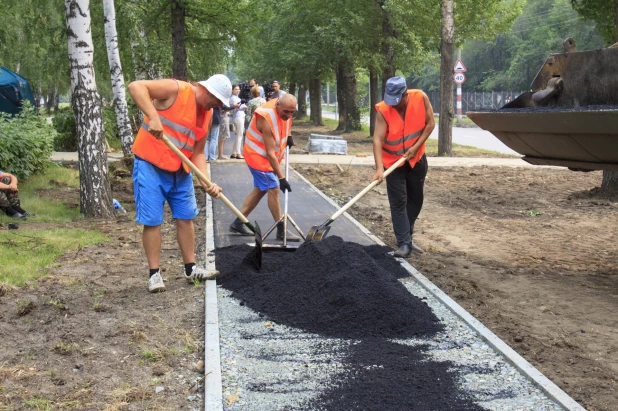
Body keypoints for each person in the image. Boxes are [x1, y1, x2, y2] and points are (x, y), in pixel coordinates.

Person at [128, 74, 231, 293]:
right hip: (151, 164)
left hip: (180, 170)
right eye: (217, 100)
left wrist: (206, 182)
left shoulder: (207, 113)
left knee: (186, 217)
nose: (217, 106)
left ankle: (190, 268)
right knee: (153, 220)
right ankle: (154, 274)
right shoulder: (176, 90)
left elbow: (199, 152)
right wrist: (152, 116)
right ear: (207, 91)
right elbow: (136, 86)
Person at [371, 76, 435, 258]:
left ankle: (407, 236)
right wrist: (378, 168)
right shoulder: (384, 109)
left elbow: (430, 124)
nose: (394, 106)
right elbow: (377, 139)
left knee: (416, 200)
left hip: (417, 159)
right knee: (398, 202)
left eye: (397, 102)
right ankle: (404, 244)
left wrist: (416, 147)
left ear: (405, 94)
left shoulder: (421, 98)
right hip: (393, 162)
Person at [229, 93, 299, 241]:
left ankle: (238, 222)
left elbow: (285, 122)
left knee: (261, 189)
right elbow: (270, 153)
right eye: (286, 111)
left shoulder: (284, 106)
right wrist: (281, 178)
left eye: (292, 112)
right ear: (278, 104)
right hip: (258, 156)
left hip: (266, 157)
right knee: (273, 188)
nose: (289, 115)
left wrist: (289, 135)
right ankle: (281, 230)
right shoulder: (266, 118)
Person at [229, 84, 247, 159]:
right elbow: (237, 106)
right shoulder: (233, 98)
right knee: (240, 135)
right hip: (239, 117)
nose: (237, 90)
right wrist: (243, 106)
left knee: (238, 135)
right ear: (232, 90)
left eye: (238, 89)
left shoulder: (237, 98)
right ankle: (239, 153)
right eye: (236, 89)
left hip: (238, 116)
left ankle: (234, 152)